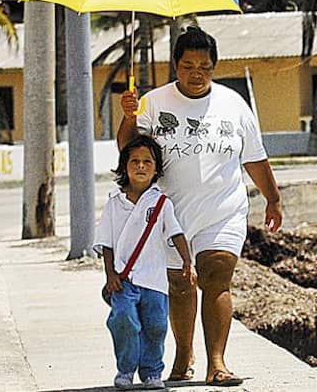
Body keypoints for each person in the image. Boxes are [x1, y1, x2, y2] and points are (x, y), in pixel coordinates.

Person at [117, 26, 283, 387]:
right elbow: (128, 151)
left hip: (222, 210)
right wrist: (130, 116)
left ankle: (218, 362)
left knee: (217, 276)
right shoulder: (153, 103)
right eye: (189, 65)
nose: (197, 73)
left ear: (214, 67)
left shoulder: (233, 104)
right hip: (169, 215)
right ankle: (183, 352)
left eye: (204, 67)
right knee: (179, 285)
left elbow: (254, 157)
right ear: (176, 64)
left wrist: (273, 197)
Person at [95, 134, 193, 390]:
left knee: (156, 325)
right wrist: (110, 275)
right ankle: (125, 369)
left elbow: (176, 233)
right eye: (134, 161)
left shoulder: (161, 203)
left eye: (147, 162)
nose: (140, 166)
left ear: (156, 168)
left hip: (154, 279)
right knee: (124, 320)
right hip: (123, 279)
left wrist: (186, 262)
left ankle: (151, 372)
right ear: (124, 166)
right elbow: (106, 243)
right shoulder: (114, 203)